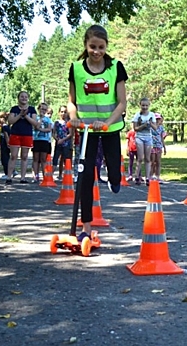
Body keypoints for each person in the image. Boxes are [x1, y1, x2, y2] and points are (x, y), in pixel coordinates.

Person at [67, 24, 127, 240]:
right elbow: (71, 101)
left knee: (113, 169)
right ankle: (86, 228)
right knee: (84, 177)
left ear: (106, 47)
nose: (96, 52)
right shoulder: (76, 69)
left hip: (109, 127)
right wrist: (73, 118)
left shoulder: (115, 67)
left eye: (101, 47)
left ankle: (115, 179)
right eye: (92, 46)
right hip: (86, 131)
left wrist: (107, 122)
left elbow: (122, 103)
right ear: (86, 45)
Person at [6, 91, 38, 184]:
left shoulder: (32, 109)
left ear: (28, 98)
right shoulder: (14, 109)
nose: (24, 98)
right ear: (18, 98)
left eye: (25, 96)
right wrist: (20, 115)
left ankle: (22, 178)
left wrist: (26, 116)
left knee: (24, 156)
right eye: (21, 96)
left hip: (27, 134)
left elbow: (35, 123)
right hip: (15, 134)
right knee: (13, 156)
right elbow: (10, 121)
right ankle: (9, 177)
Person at [131, 98, 156, 185]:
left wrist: (150, 123)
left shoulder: (152, 115)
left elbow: (155, 127)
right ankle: (137, 176)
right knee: (140, 157)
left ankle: (148, 178)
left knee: (148, 158)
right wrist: (143, 125)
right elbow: (135, 128)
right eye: (143, 105)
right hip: (140, 137)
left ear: (149, 105)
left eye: (146, 105)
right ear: (140, 105)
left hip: (148, 137)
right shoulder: (137, 115)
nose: (144, 107)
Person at [31, 102, 53, 183]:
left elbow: (49, 129)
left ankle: (45, 176)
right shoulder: (35, 118)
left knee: (43, 159)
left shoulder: (48, 119)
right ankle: (36, 176)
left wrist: (40, 129)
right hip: (36, 140)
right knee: (36, 158)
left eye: (45, 109)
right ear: (38, 109)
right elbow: (35, 126)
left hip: (45, 140)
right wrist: (40, 120)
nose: (43, 110)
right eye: (41, 109)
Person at [52, 106, 73, 180]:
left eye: (65, 112)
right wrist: (57, 139)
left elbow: (70, 134)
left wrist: (63, 140)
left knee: (66, 160)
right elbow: (54, 133)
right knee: (55, 159)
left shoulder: (69, 123)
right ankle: (50, 176)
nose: (63, 113)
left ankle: (67, 176)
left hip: (66, 144)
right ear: (59, 113)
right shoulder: (57, 122)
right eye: (62, 112)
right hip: (58, 144)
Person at [150, 113, 167, 182]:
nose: (157, 120)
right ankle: (150, 176)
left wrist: (164, 147)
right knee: (152, 162)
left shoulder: (161, 128)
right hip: (152, 146)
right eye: (156, 119)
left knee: (158, 162)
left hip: (159, 146)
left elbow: (162, 138)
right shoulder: (150, 127)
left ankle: (157, 176)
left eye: (158, 119)